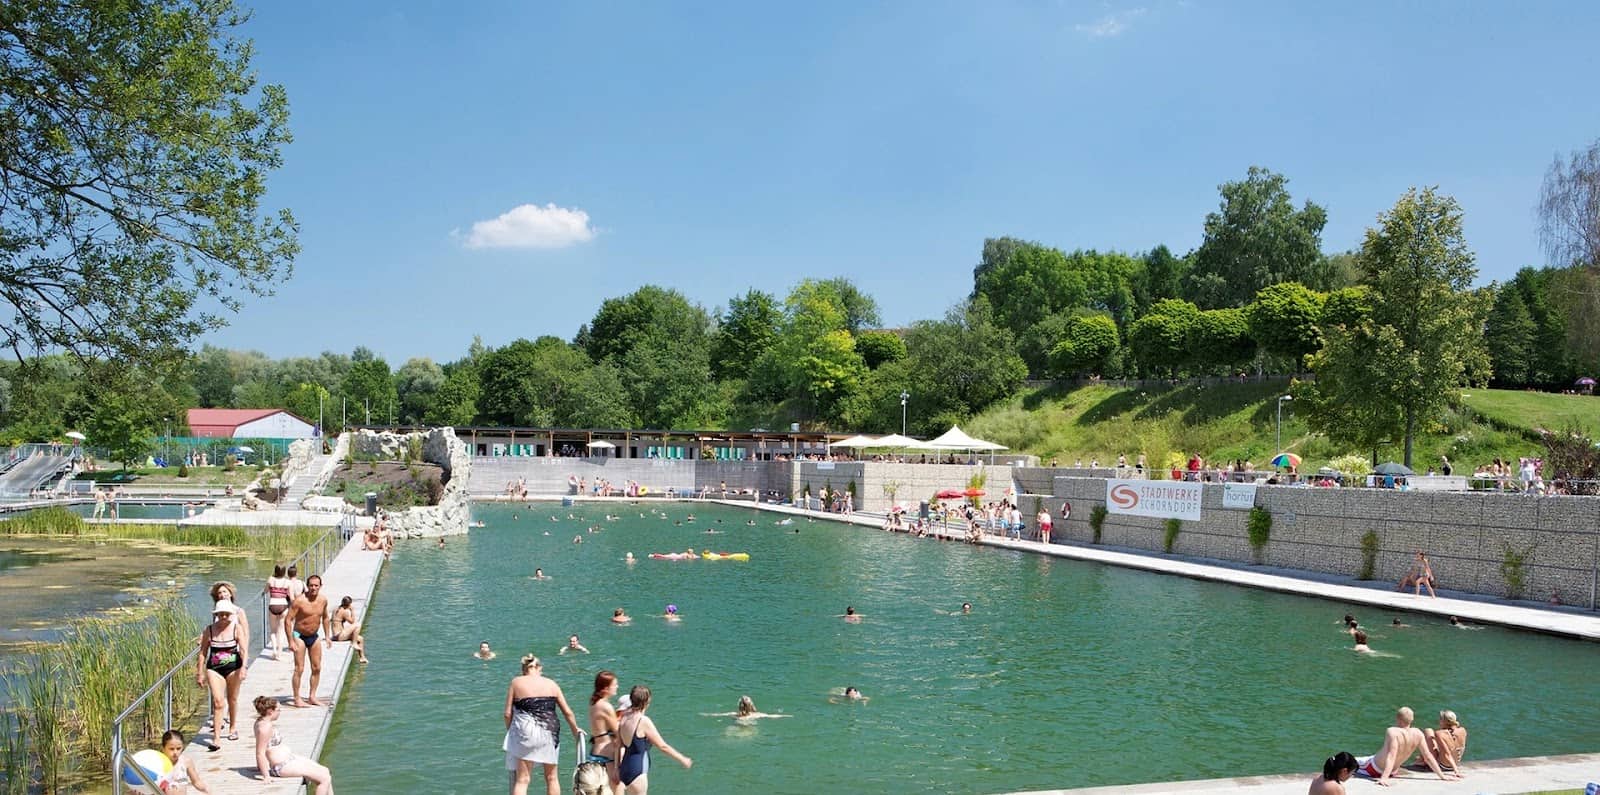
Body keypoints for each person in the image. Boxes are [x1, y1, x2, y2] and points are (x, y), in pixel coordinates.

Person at [503, 655, 583, 795]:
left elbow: (507, 714)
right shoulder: (552, 683)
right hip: (550, 730)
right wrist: (575, 730)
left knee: (523, 780)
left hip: (526, 731)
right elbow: (568, 712)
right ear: (539, 668)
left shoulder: (516, 682)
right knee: (552, 778)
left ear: (523, 669)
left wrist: (511, 732)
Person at [616, 685, 692, 794]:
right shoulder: (643, 721)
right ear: (646, 702)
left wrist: (615, 768)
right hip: (638, 772)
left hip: (624, 769)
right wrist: (682, 759)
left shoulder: (624, 717)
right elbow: (662, 746)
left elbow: (618, 744)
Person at [1355, 706, 1456, 785]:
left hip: (1373, 768)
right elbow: (1428, 756)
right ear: (1411, 720)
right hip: (1393, 771)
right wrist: (1442, 776)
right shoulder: (1418, 733)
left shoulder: (1392, 731)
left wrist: (1384, 778)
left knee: (1349, 761)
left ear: (1398, 719)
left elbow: (1391, 756)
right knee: (1369, 757)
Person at [253, 696, 334, 793]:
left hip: (289, 759)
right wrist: (266, 776)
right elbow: (260, 752)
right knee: (324, 779)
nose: (280, 713)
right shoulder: (264, 728)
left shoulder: (261, 721)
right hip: (282, 766)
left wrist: (259, 767)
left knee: (325, 771)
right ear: (270, 711)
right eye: (278, 710)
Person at [196, 600, 247, 743]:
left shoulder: (237, 628)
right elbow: (202, 652)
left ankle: (232, 727)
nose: (224, 617)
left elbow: (243, 650)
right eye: (221, 614)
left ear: (231, 615)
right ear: (216, 615)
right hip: (214, 668)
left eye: (226, 614)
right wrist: (199, 673)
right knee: (218, 701)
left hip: (234, 667)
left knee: (232, 698)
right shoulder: (209, 630)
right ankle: (216, 738)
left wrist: (243, 668)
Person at [286, 574, 332, 707]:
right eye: (311, 585)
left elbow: (325, 618)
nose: (313, 588)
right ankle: (297, 698)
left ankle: (312, 696)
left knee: (317, 667)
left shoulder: (323, 600)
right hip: (299, 635)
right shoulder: (299, 601)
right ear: (307, 586)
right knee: (299, 668)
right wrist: (291, 641)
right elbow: (288, 620)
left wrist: (328, 636)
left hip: (314, 636)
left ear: (320, 586)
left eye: (316, 585)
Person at [588, 671, 622, 793]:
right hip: (608, 754)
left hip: (596, 751)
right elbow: (618, 732)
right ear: (606, 688)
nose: (617, 686)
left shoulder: (594, 704)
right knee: (618, 789)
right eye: (615, 684)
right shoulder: (606, 707)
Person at [156, 729, 211, 793]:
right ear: (163, 748)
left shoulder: (186, 762)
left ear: (183, 747)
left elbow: (196, 782)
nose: (175, 752)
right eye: (171, 749)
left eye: (178, 748)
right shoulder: (158, 763)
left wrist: (206, 790)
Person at [1423, 710, 1468, 779]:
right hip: (1456, 762)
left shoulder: (1439, 734)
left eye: (1440, 719)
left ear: (1444, 722)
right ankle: (1421, 759)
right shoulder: (1463, 730)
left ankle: (1422, 760)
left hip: (1443, 766)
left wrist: (1456, 771)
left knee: (1428, 731)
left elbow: (1447, 754)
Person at [331, 596, 369, 664]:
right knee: (358, 625)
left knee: (360, 639)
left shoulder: (336, 609)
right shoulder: (344, 612)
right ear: (349, 604)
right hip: (339, 636)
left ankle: (362, 657)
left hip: (336, 635)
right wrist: (352, 610)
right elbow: (352, 621)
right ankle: (354, 643)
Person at [266, 564, 292, 660]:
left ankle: (274, 651)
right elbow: (292, 597)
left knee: (273, 630)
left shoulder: (270, 580)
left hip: (273, 605)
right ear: (284, 572)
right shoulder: (287, 582)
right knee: (281, 631)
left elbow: (265, 591)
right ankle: (279, 654)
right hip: (283, 606)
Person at [705, 695, 789, 722]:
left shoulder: (734, 714)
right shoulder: (757, 715)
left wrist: (706, 714)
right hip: (749, 731)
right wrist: (786, 716)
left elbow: (716, 715)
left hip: (734, 728)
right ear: (751, 705)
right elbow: (773, 716)